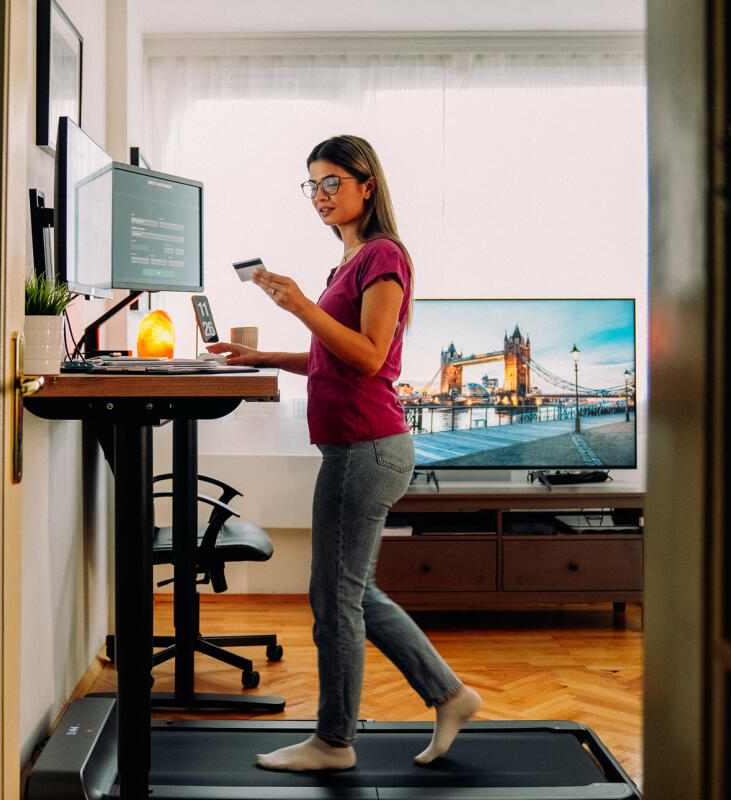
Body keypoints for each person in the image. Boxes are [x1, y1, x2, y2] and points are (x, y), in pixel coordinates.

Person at [206, 134, 481, 771]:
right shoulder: (351, 260)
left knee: (334, 600)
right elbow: (332, 354)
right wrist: (262, 356)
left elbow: (368, 356)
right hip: (355, 445)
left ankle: (334, 742)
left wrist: (300, 302)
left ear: (367, 185)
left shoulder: (383, 255)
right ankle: (451, 695)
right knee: (353, 593)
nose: (321, 196)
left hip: (367, 446)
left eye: (333, 182)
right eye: (313, 185)